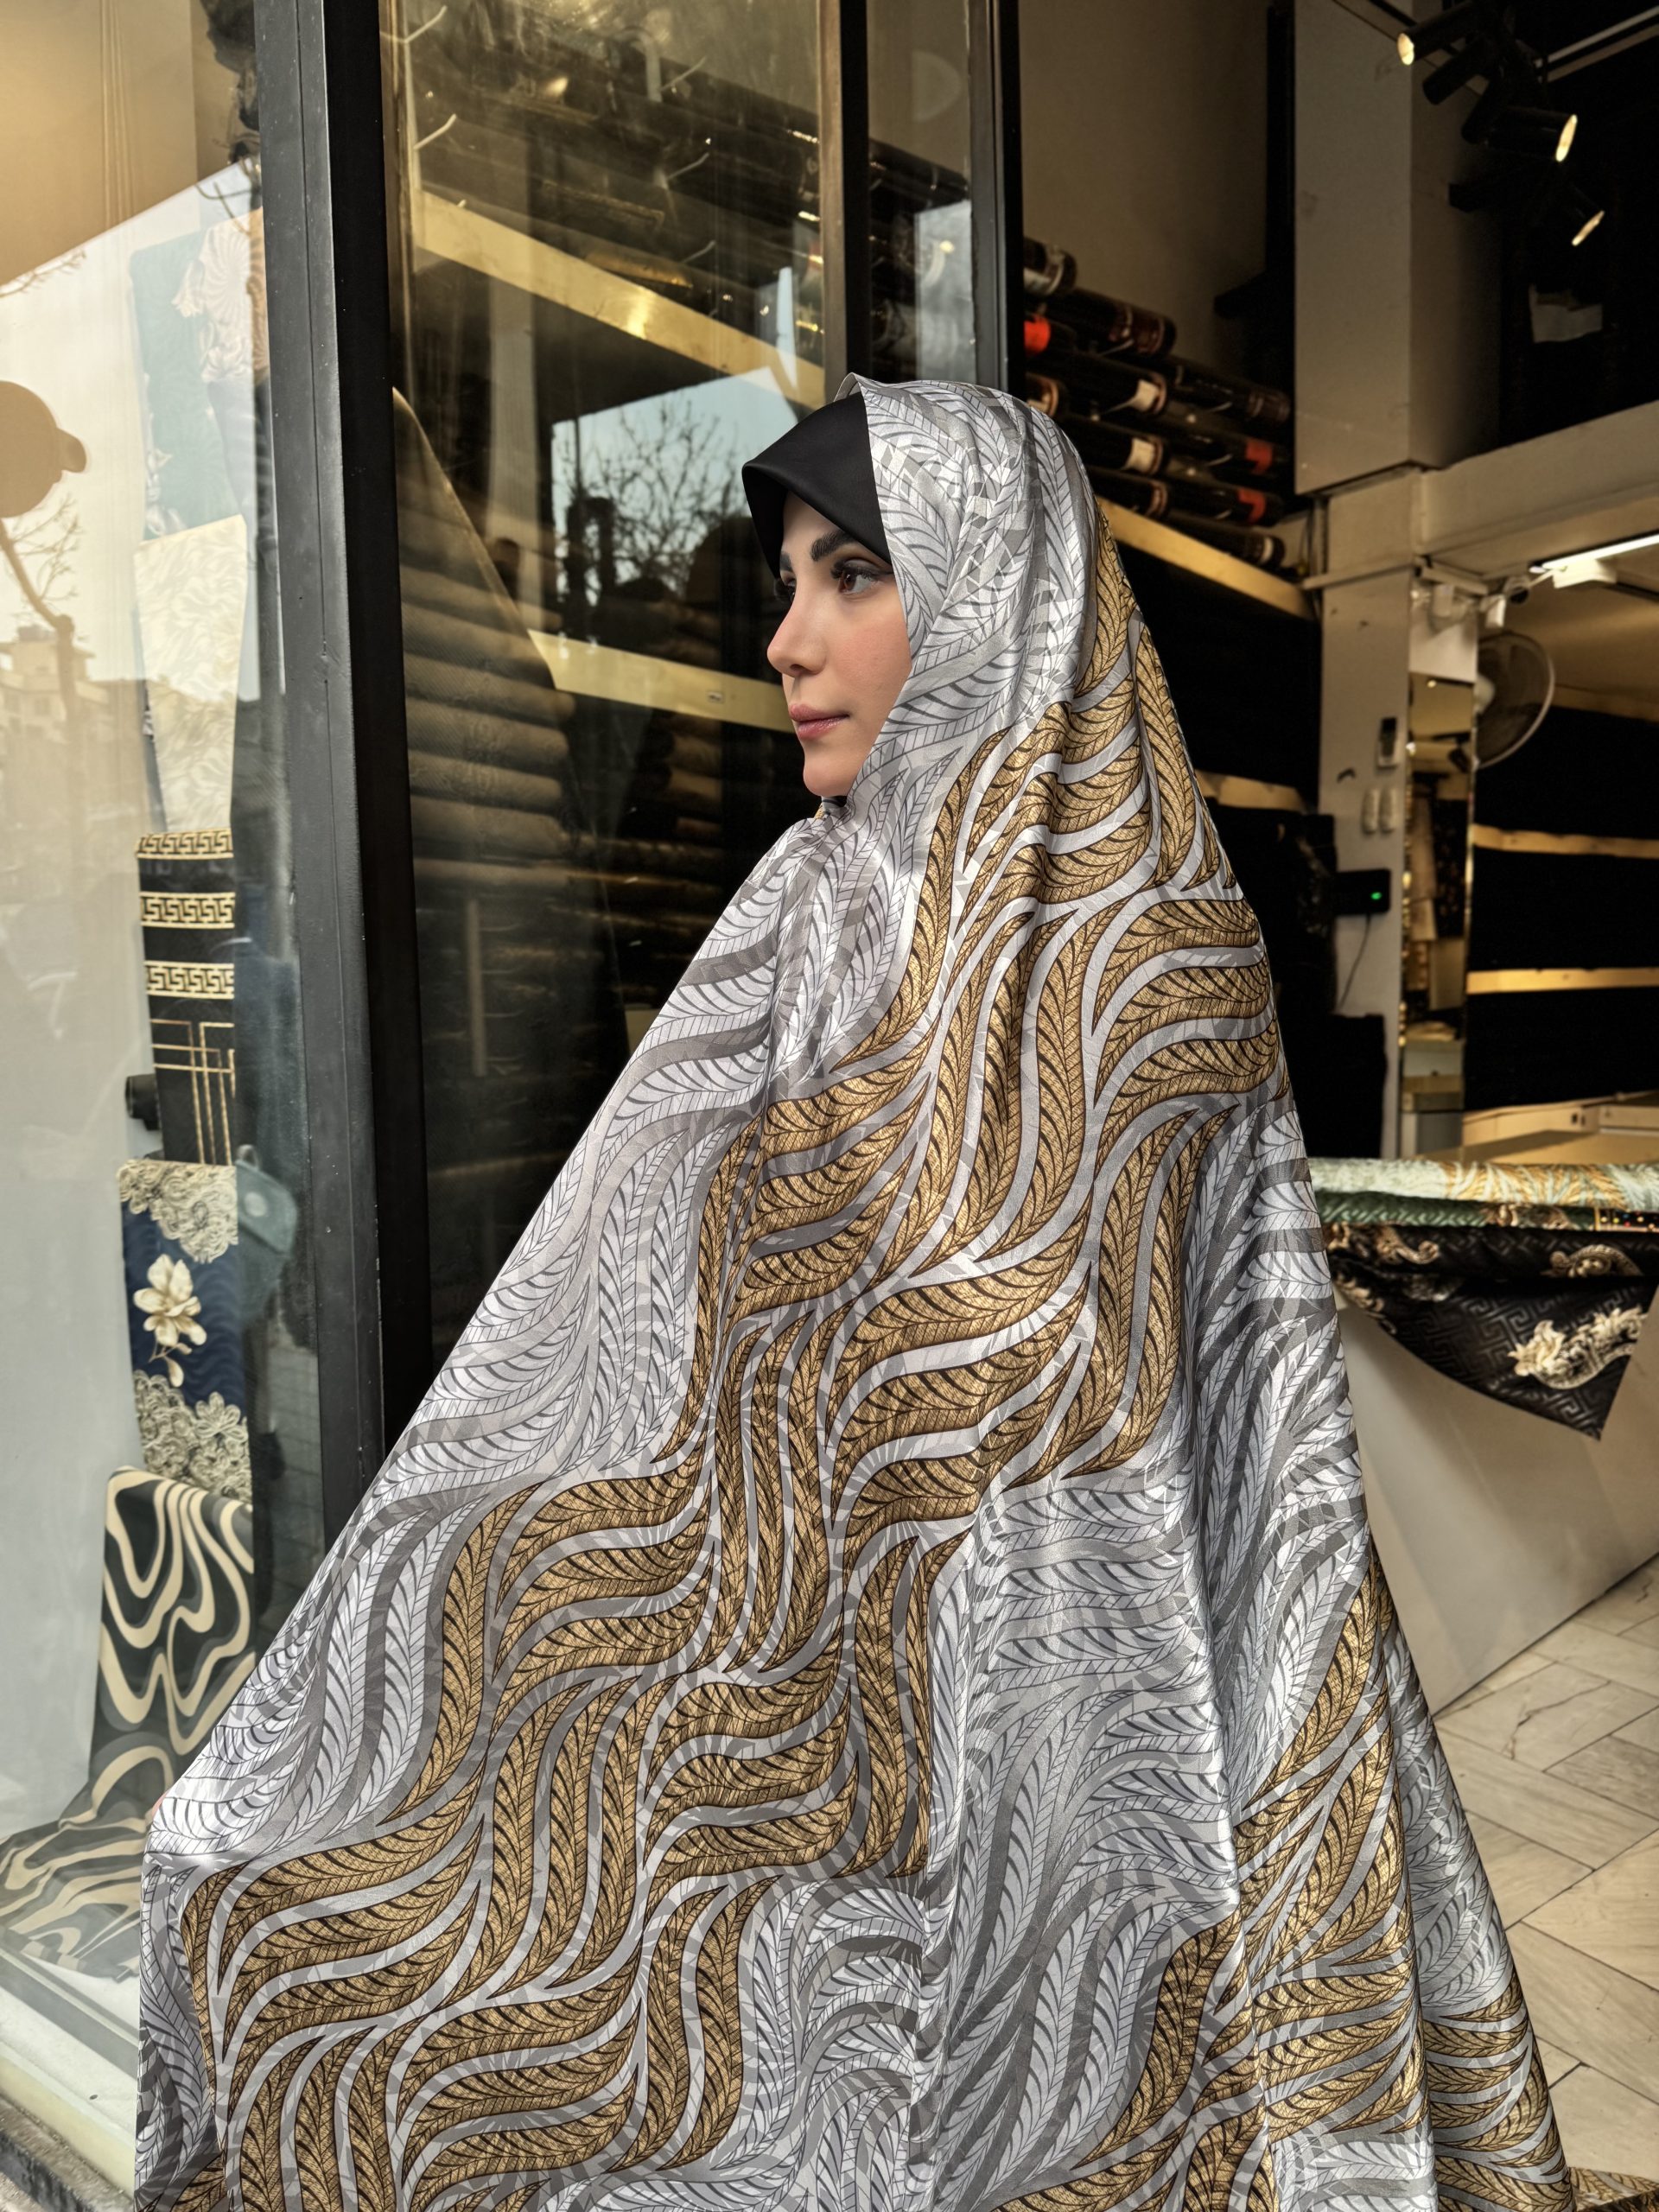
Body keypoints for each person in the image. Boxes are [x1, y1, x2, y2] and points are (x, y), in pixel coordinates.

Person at [137, 378, 1570, 2212]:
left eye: (854, 575)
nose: (787, 639)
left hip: (1080, 1729)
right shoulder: (800, 912)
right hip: (775, 1647)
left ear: (995, 585)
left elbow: (1163, 1436)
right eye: (787, 580)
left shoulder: (1161, 954)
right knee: (276, 1905)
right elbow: (612, 1312)